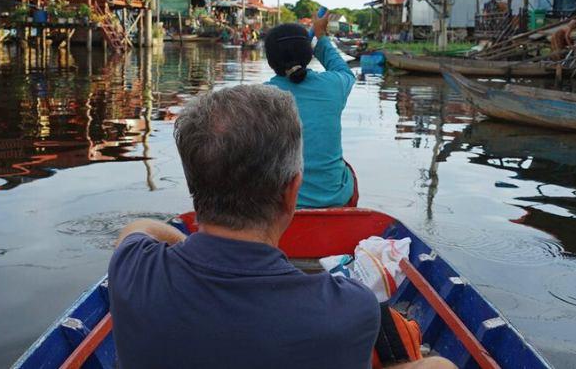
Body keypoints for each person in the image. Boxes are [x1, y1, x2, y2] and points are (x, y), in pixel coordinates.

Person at [108, 85, 454, 369]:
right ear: (292, 192)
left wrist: (186, 242)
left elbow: (138, 228)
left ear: (194, 185)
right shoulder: (350, 309)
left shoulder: (132, 268)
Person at [264, 14, 357, 208]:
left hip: (281, 204)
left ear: (271, 61)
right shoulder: (334, 85)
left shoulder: (260, 97)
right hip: (336, 196)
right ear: (309, 55)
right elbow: (344, 70)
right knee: (346, 169)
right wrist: (321, 36)